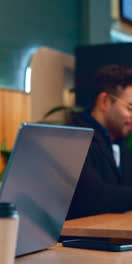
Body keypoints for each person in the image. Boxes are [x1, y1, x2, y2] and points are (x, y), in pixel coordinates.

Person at [66, 64, 132, 220]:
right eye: (130, 108)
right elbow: (95, 197)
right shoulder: (73, 138)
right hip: (78, 240)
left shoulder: (121, 141)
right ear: (105, 102)